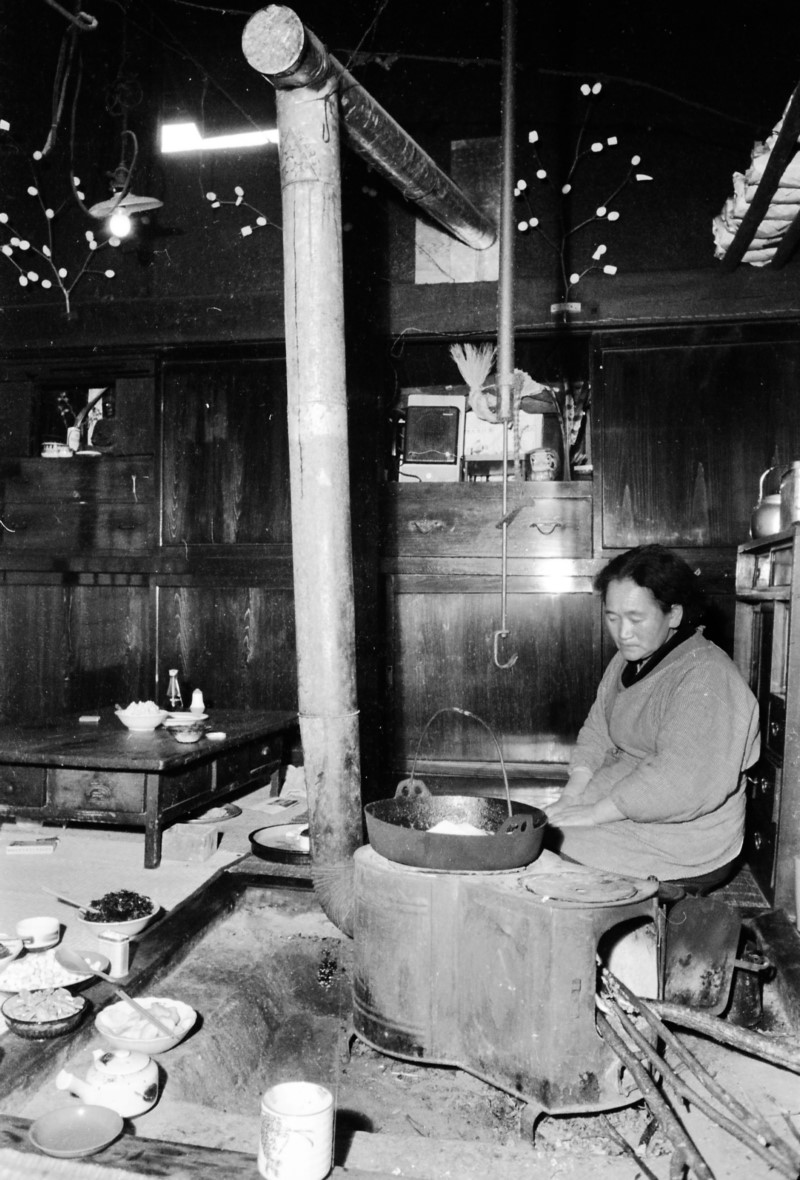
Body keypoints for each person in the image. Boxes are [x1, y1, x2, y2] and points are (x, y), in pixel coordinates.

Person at [545, 544, 760, 883]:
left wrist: (592, 814)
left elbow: (676, 782)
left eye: (636, 619)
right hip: (623, 798)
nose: (623, 633)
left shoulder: (707, 675)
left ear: (673, 615)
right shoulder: (629, 657)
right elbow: (598, 730)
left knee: (555, 847)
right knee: (538, 833)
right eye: (612, 618)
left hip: (685, 839)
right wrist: (571, 796)